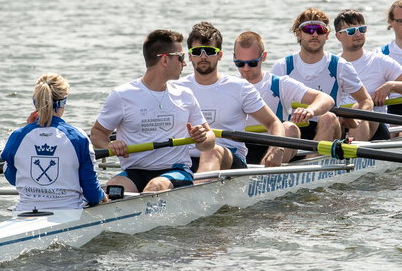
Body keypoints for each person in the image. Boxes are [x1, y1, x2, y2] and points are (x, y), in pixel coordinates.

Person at [90, 29, 217, 194]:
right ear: (165, 60)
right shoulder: (122, 95)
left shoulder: (184, 95)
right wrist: (110, 145)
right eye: (181, 57)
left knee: (156, 186)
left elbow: (210, 141)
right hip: (135, 171)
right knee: (114, 188)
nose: (184, 63)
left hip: (176, 170)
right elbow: (97, 133)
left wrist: (202, 138)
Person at [176, 22, 287, 169]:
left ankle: (198, 189)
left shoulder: (240, 88)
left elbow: (273, 123)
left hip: (229, 160)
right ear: (190, 56)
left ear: (220, 55)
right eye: (197, 52)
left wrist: (276, 149)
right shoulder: (176, 88)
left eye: (209, 51)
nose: (203, 57)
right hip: (186, 160)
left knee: (212, 151)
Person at [2, 73, 106, 212]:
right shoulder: (78, 137)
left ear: (35, 102)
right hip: (70, 212)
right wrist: (103, 196)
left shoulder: (17, 136)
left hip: (25, 211)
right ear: (63, 102)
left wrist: (28, 128)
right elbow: (91, 194)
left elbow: (14, 180)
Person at [271, 8, 373, 140]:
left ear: (327, 35)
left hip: (329, 127)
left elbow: (365, 100)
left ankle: (311, 159)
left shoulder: (340, 66)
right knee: (287, 127)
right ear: (298, 34)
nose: (314, 34)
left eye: (320, 30)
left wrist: (356, 121)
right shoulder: (282, 67)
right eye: (309, 29)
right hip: (293, 130)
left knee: (328, 117)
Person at [233, 31, 336, 163]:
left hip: (274, 146)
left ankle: (266, 174)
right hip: (239, 148)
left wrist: (310, 110)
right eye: (240, 63)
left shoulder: (279, 84)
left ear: (263, 57)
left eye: (252, 63)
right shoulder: (228, 85)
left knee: (289, 128)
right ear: (233, 57)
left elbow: (326, 99)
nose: (246, 68)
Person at [332, 9, 402, 140]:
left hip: (374, 127)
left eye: (362, 29)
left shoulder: (379, 61)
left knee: (358, 108)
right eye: (351, 31)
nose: (358, 34)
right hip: (341, 125)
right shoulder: (332, 65)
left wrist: (391, 86)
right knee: (328, 119)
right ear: (338, 36)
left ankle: (355, 155)